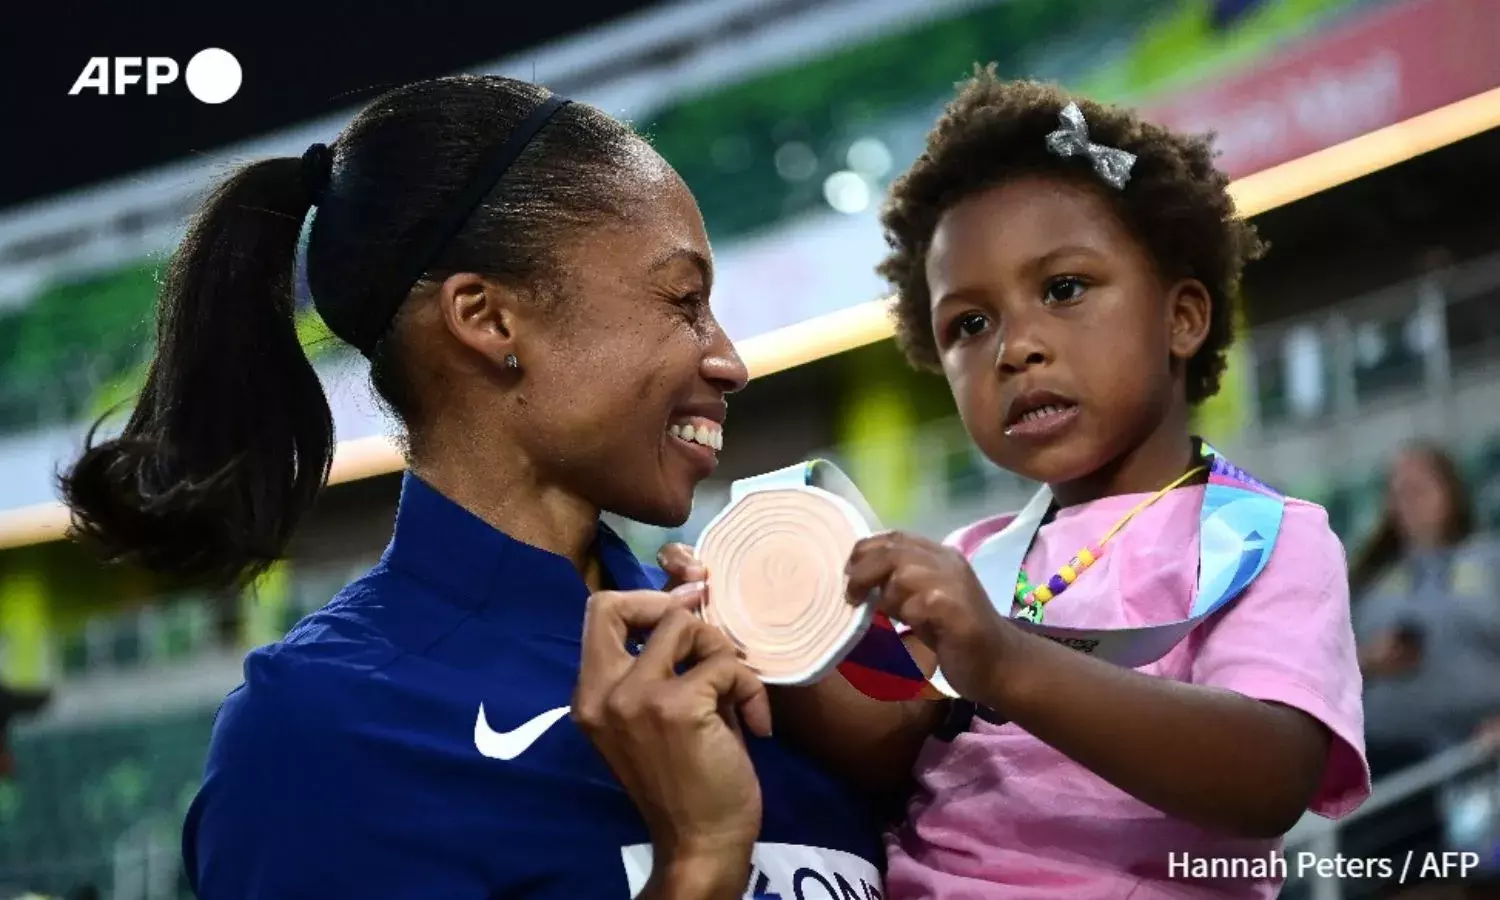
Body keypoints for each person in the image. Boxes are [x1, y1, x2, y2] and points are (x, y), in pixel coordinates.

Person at [59, 75, 882, 898]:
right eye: (684, 299)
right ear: (486, 318)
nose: (729, 361)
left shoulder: (768, 662)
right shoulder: (319, 731)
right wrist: (700, 858)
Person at [663, 70, 1371, 899]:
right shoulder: (973, 559)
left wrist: (1004, 662)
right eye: (969, 324)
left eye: (1064, 289)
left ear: (1182, 317)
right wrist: (751, 625)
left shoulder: (1269, 539)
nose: (1015, 348)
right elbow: (886, 744)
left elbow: (1269, 778)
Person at [1350, 442, 1500, 764]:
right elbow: (1330, 671)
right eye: (1398, 494)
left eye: (1418, 489)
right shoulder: (1369, 580)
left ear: (1449, 492)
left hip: (1481, 749)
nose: (1408, 503)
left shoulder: (1490, 562)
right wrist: (1369, 661)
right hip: (1393, 753)